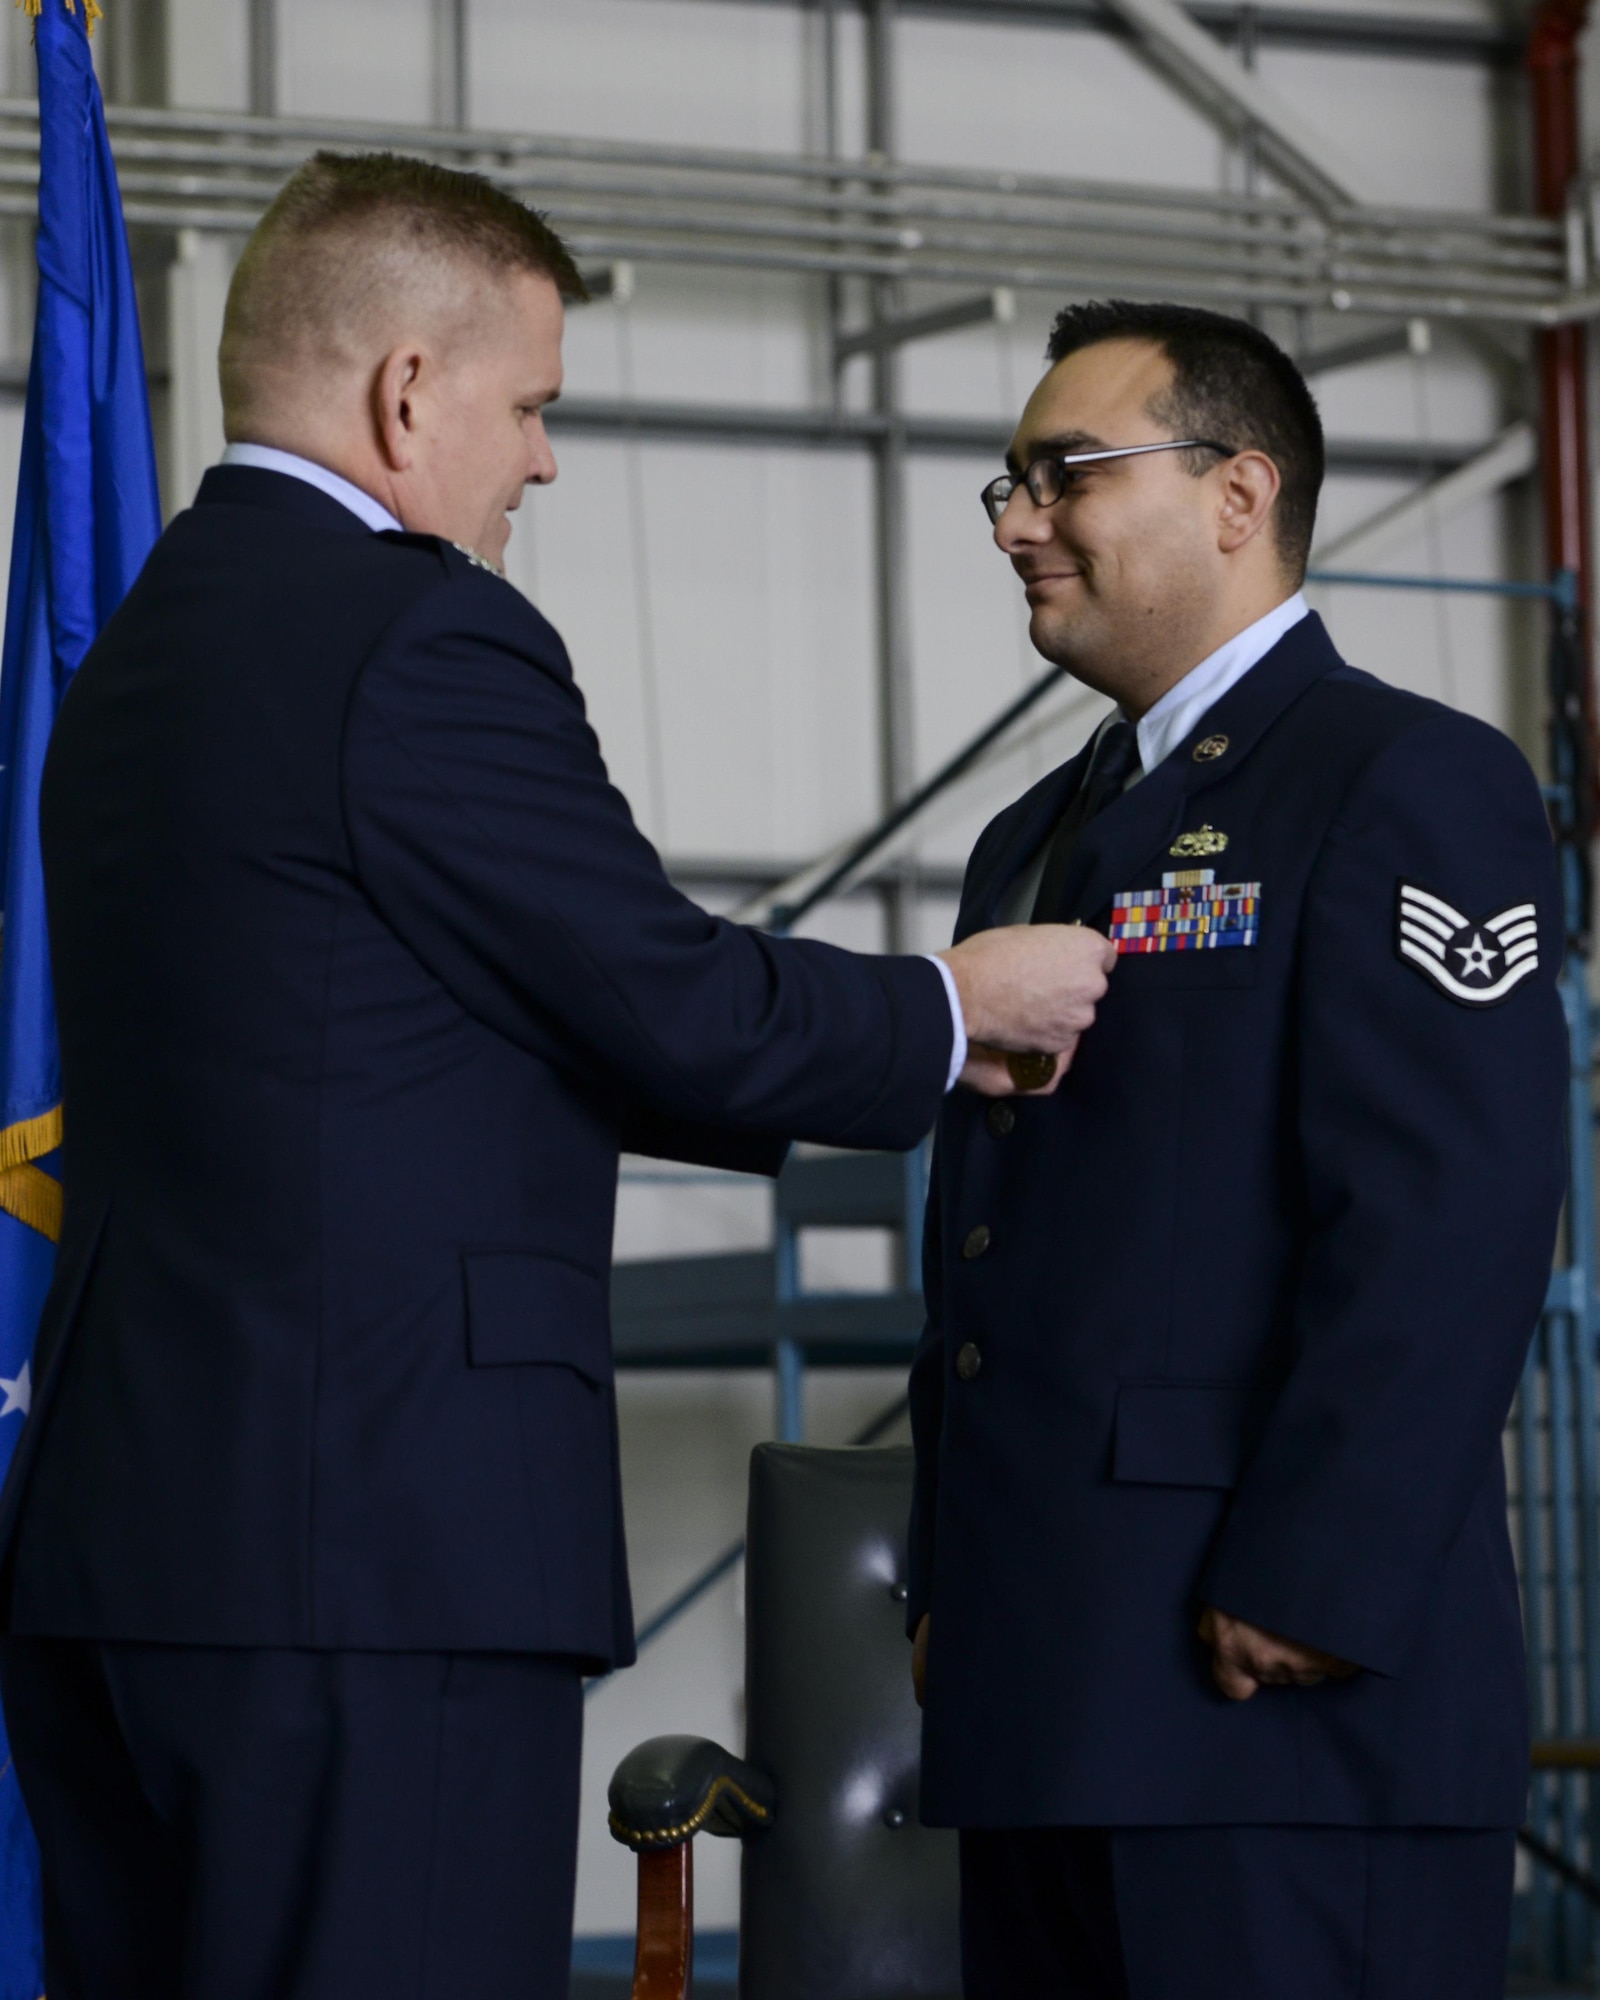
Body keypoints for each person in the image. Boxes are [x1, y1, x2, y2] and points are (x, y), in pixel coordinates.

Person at [0, 153, 1116, 2000]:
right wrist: (949, 1003)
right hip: (369, 1558)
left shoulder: (133, 654)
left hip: (136, 1555)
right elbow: (660, 990)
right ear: (407, 392)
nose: (539, 461)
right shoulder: (416, 632)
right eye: (530, 405)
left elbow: (455, 1020)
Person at [905, 300, 1568, 2000]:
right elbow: (997, 1249)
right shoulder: (1027, 838)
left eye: (1068, 473)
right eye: (1008, 482)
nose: (1017, 519)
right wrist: (952, 1590)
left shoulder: (1404, 780)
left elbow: (1450, 1218)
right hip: (1048, 1689)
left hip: (1271, 1695)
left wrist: (1317, 1581)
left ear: (1236, 493)